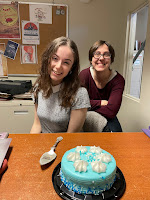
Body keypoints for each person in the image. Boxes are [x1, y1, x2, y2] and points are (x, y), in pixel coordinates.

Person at [30, 36, 90, 133]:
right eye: (55, 58)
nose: (58, 66)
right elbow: (37, 125)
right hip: (44, 144)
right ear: (47, 59)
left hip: (67, 145)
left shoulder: (79, 94)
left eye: (66, 62)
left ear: (71, 68)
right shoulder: (38, 88)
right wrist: (31, 145)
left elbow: (70, 137)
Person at [79, 40, 125, 132]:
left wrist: (88, 105)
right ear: (91, 58)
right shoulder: (84, 75)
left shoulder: (118, 80)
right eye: (97, 54)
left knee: (116, 138)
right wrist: (100, 102)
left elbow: (111, 111)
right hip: (84, 115)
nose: (101, 58)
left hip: (108, 117)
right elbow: (77, 103)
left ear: (111, 59)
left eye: (106, 54)